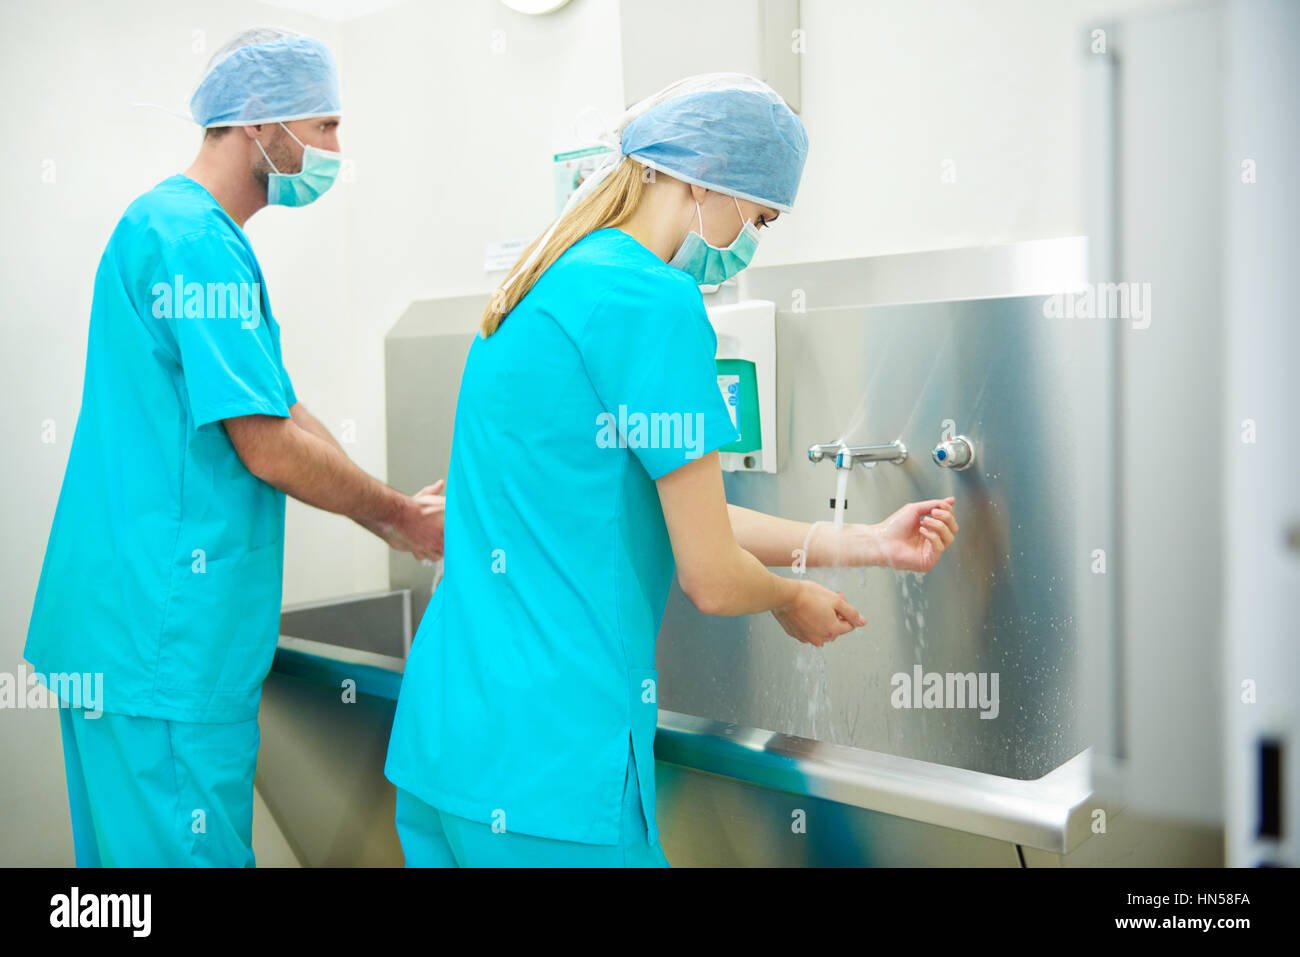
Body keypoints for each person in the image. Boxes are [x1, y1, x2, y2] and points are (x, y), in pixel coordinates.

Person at [384, 74, 959, 867]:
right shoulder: (651, 301)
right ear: (704, 178)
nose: (752, 238)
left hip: (446, 744)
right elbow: (712, 575)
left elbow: (670, 512)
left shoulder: (538, 281)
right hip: (556, 771)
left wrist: (864, 541)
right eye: (758, 215)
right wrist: (789, 597)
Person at [23, 27, 446, 867]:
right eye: (324, 127)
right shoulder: (195, 241)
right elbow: (268, 447)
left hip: (120, 635)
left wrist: (397, 521)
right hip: (165, 646)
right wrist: (397, 512)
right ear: (261, 122)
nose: (335, 150)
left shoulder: (171, 227)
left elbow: (280, 408)